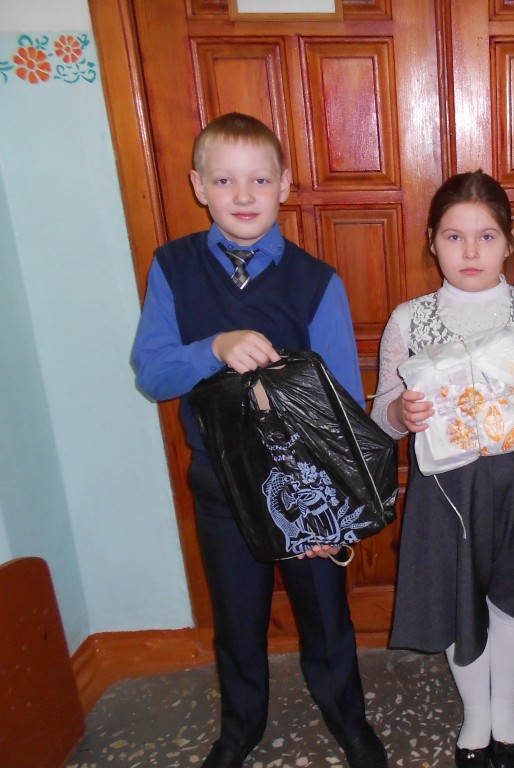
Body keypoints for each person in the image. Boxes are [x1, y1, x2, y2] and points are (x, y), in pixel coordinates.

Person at [130, 112, 388, 768]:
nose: (243, 195)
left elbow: (343, 405)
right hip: (220, 485)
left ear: (285, 185)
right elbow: (153, 374)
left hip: (304, 485)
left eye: (259, 180)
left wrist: (335, 508)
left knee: (325, 616)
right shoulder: (173, 267)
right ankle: (240, 729)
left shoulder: (316, 280)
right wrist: (213, 347)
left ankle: (349, 720)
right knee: (237, 618)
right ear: (199, 186)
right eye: (224, 180)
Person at [370, 170, 514, 768]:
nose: (470, 252)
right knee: (462, 594)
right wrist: (401, 413)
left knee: (512, 595)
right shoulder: (409, 320)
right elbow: (382, 414)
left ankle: (505, 707)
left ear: (509, 242)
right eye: (454, 237)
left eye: (486, 237)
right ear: (432, 242)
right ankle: (475, 715)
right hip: (446, 483)